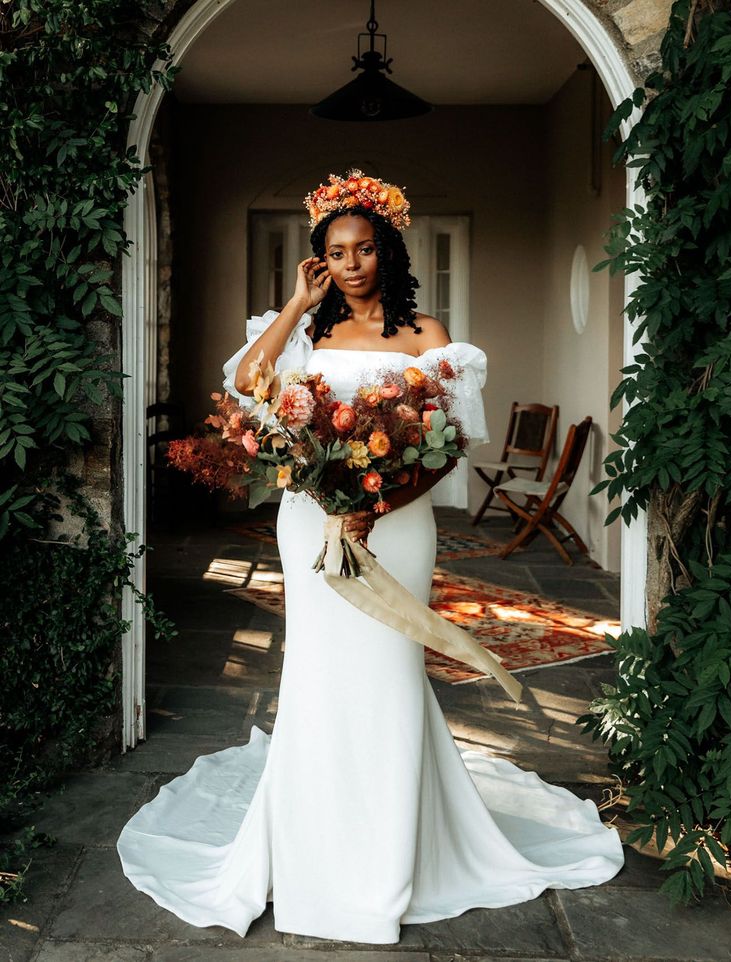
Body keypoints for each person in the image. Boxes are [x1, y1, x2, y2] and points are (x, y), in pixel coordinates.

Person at [116, 169, 625, 945]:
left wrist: (374, 504)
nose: (351, 263)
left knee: (389, 666)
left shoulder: (429, 338)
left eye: (363, 248)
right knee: (316, 669)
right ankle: (309, 848)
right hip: (309, 520)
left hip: (397, 523)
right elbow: (251, 385)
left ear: (387, 249)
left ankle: (395, 850)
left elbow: (451, 446)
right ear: (320, 259)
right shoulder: (307, 332)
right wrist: (295, 300)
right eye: (335, 252)